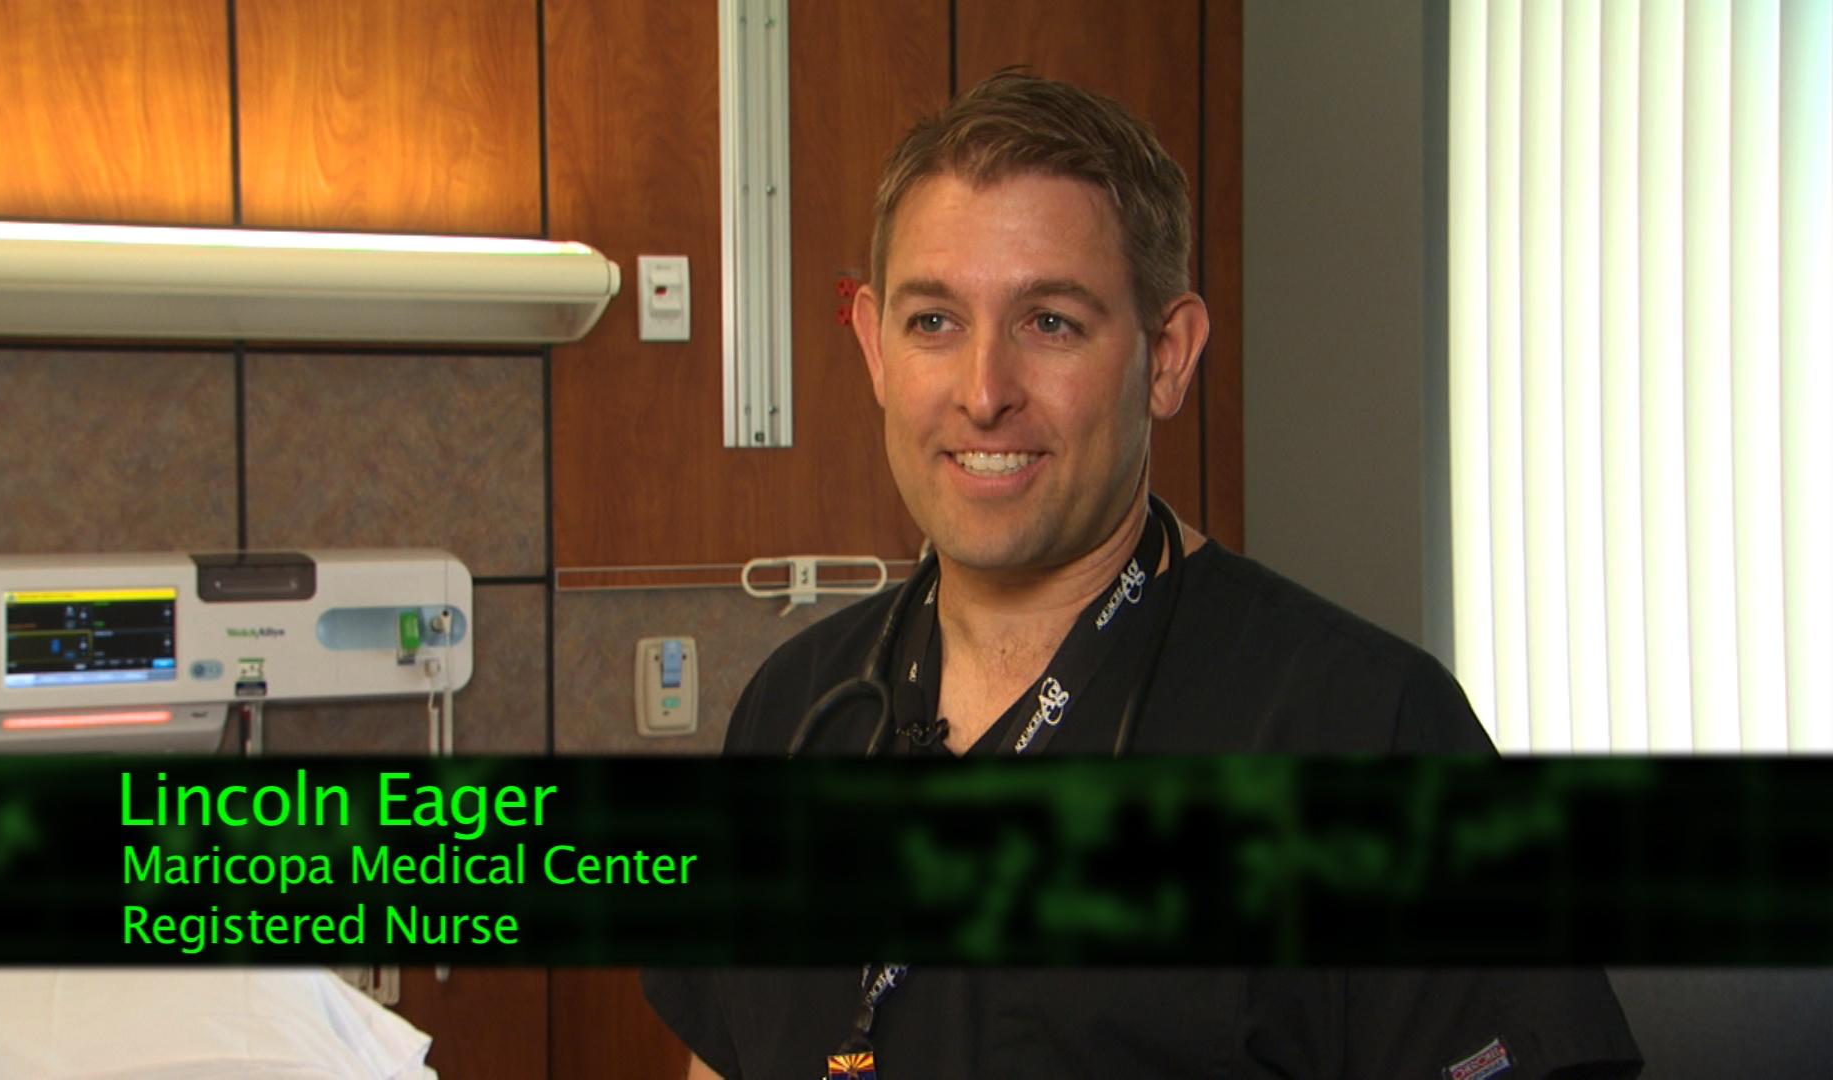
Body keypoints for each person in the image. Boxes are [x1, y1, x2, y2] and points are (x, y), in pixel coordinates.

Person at [645, 72, 1641, 1078]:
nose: (984, 393)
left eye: (1050, 322)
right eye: (934, 322)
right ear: (873, 346)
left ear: (1166, 357)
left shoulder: (1367, 729)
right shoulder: (794, 710)